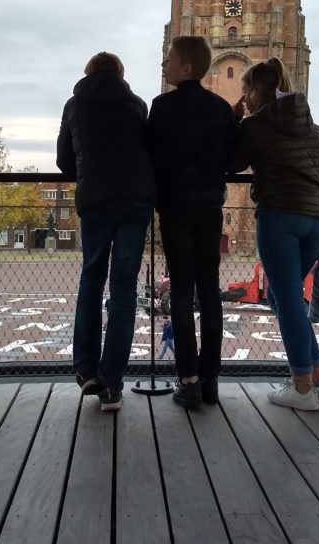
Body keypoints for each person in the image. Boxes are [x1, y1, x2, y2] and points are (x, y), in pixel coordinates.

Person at [228, 57, 319, 411]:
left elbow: (227, 162)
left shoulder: (256, 124)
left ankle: (302, 388)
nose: (244, 96)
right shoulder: (312, 126)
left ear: (258, 90)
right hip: (318, 219)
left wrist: (235, 118)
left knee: (288, 300)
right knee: (283, 297)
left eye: (246, 89)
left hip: (280, 214)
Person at [57, 51, 155, 412]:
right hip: (135, 198)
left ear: (89, 72)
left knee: (92, 276)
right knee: (125, 287)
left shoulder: (74, 104)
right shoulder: (137, 105)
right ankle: (113, 383)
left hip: (96, 197)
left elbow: (63, 160)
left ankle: (86, 369)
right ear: (120, 73)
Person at [147, 35, 236, 409]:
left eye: (168, 58)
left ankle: (189, 381)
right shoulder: (220, 109)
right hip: (209, 209)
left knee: (182, 292)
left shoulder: (161, 106)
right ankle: (212, 380)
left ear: (185, 67)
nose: (163, 64)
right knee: (211, 291)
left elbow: (150, 154)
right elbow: (231, 161)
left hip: (175, 209)